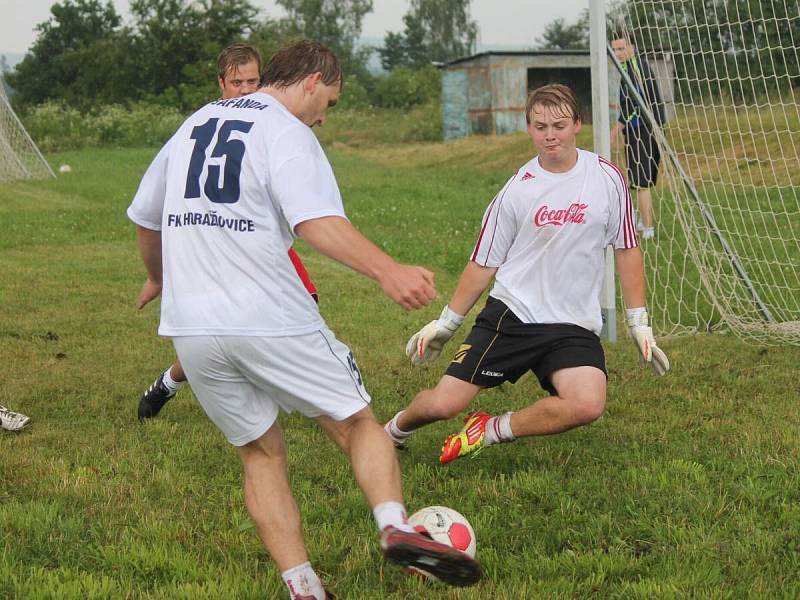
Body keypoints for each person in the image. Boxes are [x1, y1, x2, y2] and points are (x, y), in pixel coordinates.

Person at [127, 40, 481, 598]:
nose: (324, 116)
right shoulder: (288, 132)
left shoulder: (194, 123)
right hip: (269, 317)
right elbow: (315, 222)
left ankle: (303, 587)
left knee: (260, 452)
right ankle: (395, 527)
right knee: (357, 423)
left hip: (191, 326)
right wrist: (388, 270)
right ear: (314, 80)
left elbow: (147, 221)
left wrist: (159, 276)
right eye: (331, 103)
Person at [383, 84, 670, 465]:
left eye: (559, 125)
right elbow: (483, 261)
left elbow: (627, 248)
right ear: (529, 129)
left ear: (577, 125)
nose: (550, 135)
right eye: (540, 127)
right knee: (442, 404)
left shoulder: (607, 178)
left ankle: (490, 429)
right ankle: (393, 430)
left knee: (587, 404)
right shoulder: (517, 190)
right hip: (513, 315)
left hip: (572, 323)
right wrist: (447, 324)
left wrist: (639, 322)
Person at [137, 42, 319, 421]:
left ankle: (187, 380)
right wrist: (157, 276)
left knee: (304, 302)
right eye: (238, 82)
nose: (247, 89)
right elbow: (146, 211)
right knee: (225, 326)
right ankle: (173, 381)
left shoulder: (276, 122)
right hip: (213, 245)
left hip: (261, 243)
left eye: (254, 80)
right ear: (221, 83)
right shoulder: (197, 126)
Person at [610, 33, 666, 241]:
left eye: (621, 48)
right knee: (637, 178)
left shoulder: (636, 68)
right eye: (614, 49)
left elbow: (634, 101)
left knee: (641, 181)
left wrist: (617, 127)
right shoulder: (631, 66)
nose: (617, 53)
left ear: (633, 46)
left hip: (643, 129)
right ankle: (641, 221)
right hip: (642, 129)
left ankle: (648, 229)